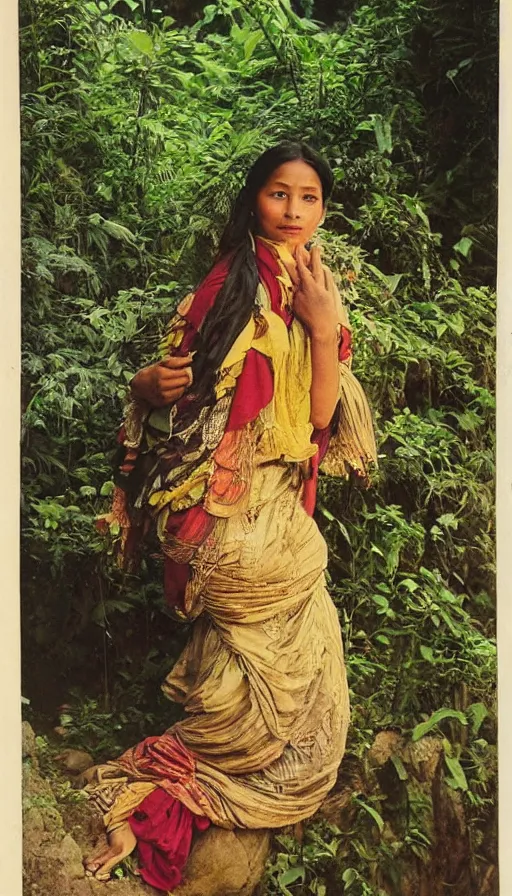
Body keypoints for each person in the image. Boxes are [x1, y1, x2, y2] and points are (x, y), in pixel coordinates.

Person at [83, 141, 377, 890]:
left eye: (308, 198)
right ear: (254, 200)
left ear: (323, 210)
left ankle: (178, 793)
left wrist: (318, 319)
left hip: (261, 513)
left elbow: (311, 422)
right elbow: (304, 420)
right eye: (280, 195)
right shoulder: (225, 289)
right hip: (232, 524)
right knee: (289, 668)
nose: (293, 212)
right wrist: (146, 388)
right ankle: (170, 790)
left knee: (273, 677)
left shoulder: (309, 284)